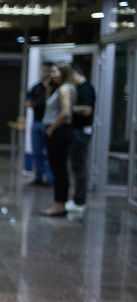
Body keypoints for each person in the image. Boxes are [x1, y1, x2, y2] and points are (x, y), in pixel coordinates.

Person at [40, 64, 76, 217]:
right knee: (58, 168)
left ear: (63, 73)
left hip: (59, 132)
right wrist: (48, 89)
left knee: (59, 169)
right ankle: (60, 203)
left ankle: (59, 205)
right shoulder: (60, 88)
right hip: (58, 131)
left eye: (55, 71)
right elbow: (50, 106)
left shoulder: (64, 89)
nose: (52, 74)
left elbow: (65, 112)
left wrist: (52, 128)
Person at [66, 65, 95, 213]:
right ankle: (78, 198)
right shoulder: (83, 88)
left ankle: (79, 200)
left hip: (81, 133)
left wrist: (69, 108)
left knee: (79, 165)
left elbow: (87, 110)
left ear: (75, 74)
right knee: (77, 165)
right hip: (79, 132)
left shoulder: (85, 88)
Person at [25, 62, 54, 186]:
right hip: (36, 122)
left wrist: (48, 89)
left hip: (48, 123)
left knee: (48, 152)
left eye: (48, 71)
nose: (46, 73)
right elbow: (28, 100)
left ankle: (50, 178)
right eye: (44, 71)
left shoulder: (54, 87)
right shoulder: (36, 87)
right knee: (37, 152)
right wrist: (30, 104)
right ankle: (38, 177)